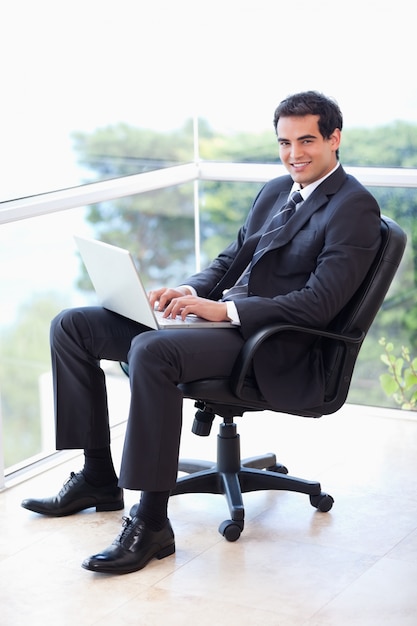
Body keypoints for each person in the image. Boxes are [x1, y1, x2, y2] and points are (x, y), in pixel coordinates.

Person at [21, 91, 381, 575]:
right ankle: (98, 477)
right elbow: (231, 261)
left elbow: (319, 305)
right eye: (284, 142)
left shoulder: (353, 206)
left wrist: (223, 312)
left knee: (152, 351)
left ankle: (151, 523)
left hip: (275, 344)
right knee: (74, 326)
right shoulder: (277, 190)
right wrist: (187, 293)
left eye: (307, 141)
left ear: (335, 139)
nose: (294, 154)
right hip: (224, 323)